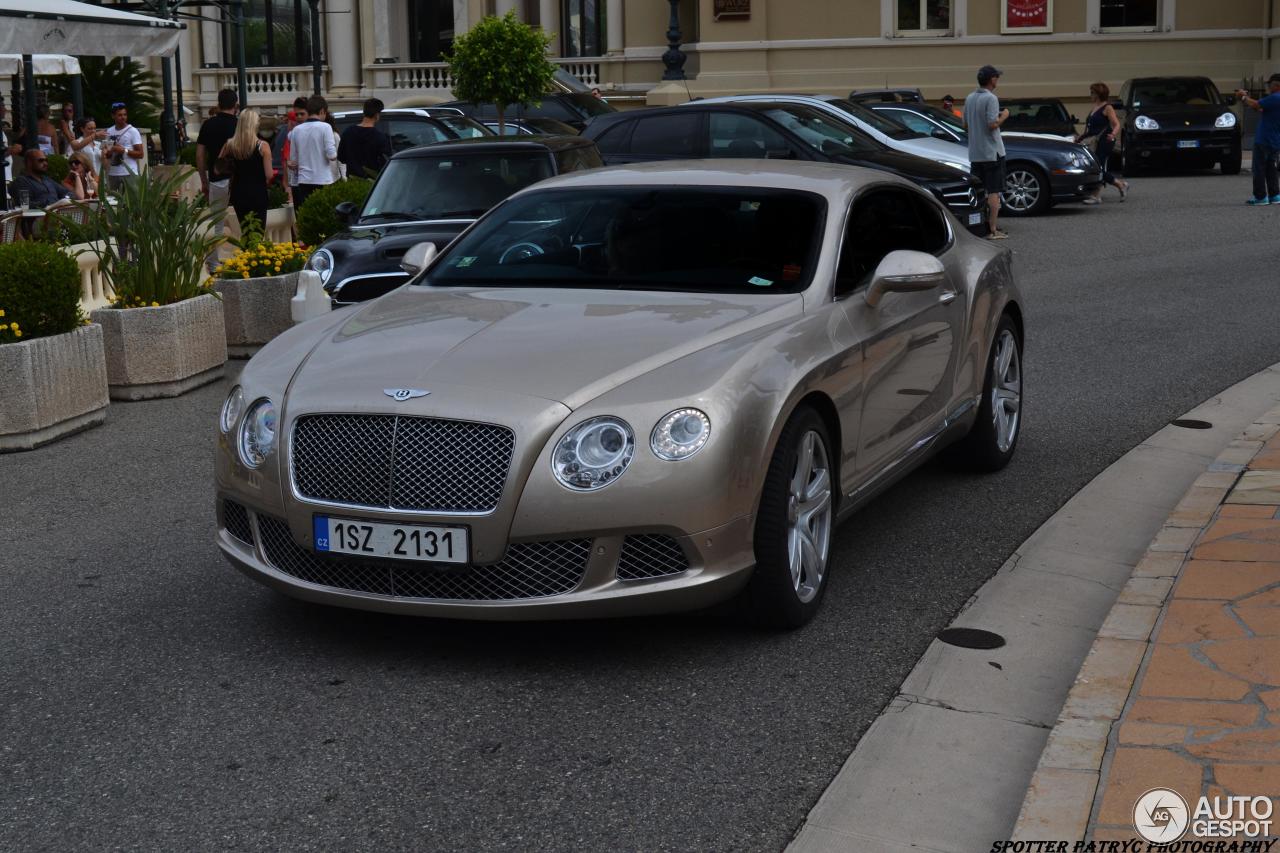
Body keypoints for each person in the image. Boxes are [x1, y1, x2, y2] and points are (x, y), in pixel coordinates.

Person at [963, 65, 1010, 240]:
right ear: (992, 79)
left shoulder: (969, 98)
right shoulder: (991, 98)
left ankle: (979, 226)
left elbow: (965, 125)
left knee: (979, 190)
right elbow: (992, 124)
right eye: (997, 77)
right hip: (992, 152)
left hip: (975, 152)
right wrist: (1004, 115)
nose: (998, 80)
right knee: (994, 191)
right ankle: (993, 229)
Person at [219, 108, 273, 233]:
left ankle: (246, 252)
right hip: (258, 192)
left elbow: (218, 167)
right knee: (258, 233)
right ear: (255, 124)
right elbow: (269, 174)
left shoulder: (230, 145)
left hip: (238, 192)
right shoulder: (263, 146)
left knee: (245, 231)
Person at [1076, 82, 1129, 204]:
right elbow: (1090, 129)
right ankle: (1119, 185)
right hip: (1095, 140)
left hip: (1105, 140)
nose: (1090, 95)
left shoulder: (1107, 107)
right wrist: (1079, 138)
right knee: (1095, 167)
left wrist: (1113, 134)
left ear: (1099, 94)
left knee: (1098, 168)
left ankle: (1099, 194)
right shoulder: (1094, 107)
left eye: (1092, 93)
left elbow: (1116, 124)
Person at [1237, 73, 1280, 206]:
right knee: (1271, 169)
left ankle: (1260, 197)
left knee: (1259, 169)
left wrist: (1243, 96)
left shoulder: (1275, 97)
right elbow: (1263, 108)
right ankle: (1275, 195)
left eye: (1269, 84)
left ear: (1276, 85)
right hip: (1275, 139)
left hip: (1264, 139)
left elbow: (1256, 104)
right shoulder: (1275, 100)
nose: (1267, 87)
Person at [288, 95, 337, 210]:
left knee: (307, 214)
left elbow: (293, 161)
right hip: (323, 179)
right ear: (322, 111)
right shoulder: (326, 127)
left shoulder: (296, 130)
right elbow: (332, 156)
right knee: (323, 215)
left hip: (304, 180)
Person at [337, 97, 392, 180]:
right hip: (372, 182)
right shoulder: (379, 137)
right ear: (377, 115)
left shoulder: (348, 132)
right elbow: (386, 161)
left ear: (364, 112)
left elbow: (341, 157)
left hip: (353, 181)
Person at [10, 149, 83, 207]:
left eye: (46, 160)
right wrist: (49, 203)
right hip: (37, 219)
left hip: (57, 216)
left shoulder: (47, 180)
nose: (45, 163)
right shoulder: (22, 181)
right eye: (41, 161)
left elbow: (68, 193)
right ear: (29, 163)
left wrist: (64, 199)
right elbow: (25, 205)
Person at [104, 102, 145, 191]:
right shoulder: (109, 131)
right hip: (113, 173)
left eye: (125, 115)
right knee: (114, 202)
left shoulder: (133, 131)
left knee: (130, 202)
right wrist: (110, 152)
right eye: (119, 115)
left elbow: (141, 154)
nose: (123, 117)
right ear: (113, 116)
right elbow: (107, 155)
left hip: (129, 173)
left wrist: (124, 151)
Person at [280, 97, 308, 203]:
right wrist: (288, 184)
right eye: (296, 115)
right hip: (297, 181)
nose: (299, 118)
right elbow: (287, 162)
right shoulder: (292, 135)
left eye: (302, 114)